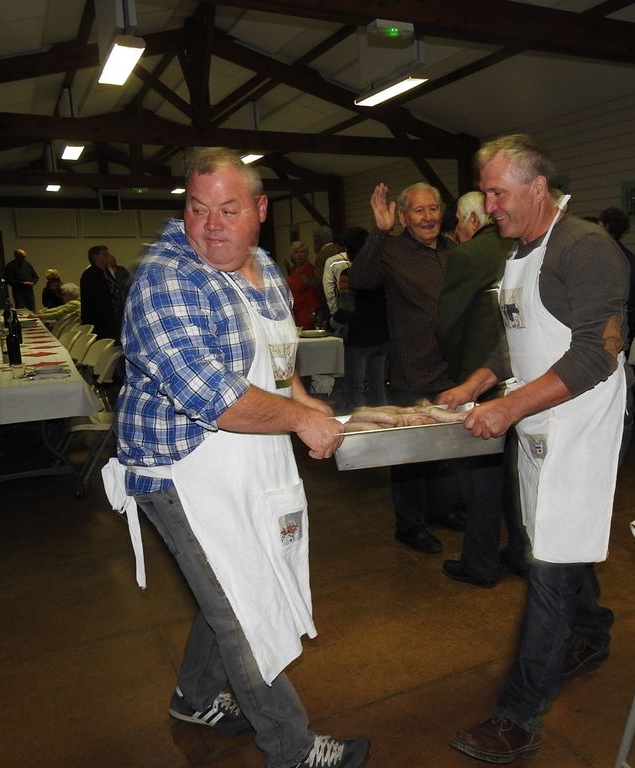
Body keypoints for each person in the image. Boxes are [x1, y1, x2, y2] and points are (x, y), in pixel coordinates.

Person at [107, 148, 369, 768]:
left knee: (231, 583)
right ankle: (291, 748)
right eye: (197, 209)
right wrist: (300, 419)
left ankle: (194, 697)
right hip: (179, 468)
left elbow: (275, 361)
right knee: (241, 607)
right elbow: (211, 395)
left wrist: (305, 401)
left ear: (260, 210)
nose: (210, 226)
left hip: (246, 456)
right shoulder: (166, 279)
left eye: (228, 210)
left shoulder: (263, 266)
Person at [440, 134, 629, 763]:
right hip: (539, 425)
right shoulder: (521, 251)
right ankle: (592, 632)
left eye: (497, 193)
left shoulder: (586, 247)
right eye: (486, 193)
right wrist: (477, 383)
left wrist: (508, 406)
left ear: (538, 187)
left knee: (546, 564)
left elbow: (597, 352)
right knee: (553, 544)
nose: (488, 206)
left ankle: (518, 716)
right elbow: (517, 337)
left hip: (580, 429)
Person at [347, 182, 462, 554]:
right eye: (418, 210)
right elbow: (360, 280)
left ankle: (441, 509)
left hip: (453, 369)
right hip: (413, 369)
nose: (428, 217)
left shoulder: (453, 250)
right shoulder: (392, 250)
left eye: (433, 209)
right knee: (411, 453)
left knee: (447, 447)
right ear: (403, 215)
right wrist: (380, 233)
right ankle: (410, 525)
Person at [436, 191, 529, 587]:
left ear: (473, 220)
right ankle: (523, 552)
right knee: (520, 476)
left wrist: (461, 374)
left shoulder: (468, 255)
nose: (457, 229)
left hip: (483, 378)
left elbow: (448, 324)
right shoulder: (525, 246)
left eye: (458, 221)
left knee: (481, 479)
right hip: (525, 380)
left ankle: (480, 562)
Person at [331, 226, 388, 410]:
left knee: (355, 390)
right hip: (382, 337)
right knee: (378, 388)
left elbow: (346, 309)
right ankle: (385, 422)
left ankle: (360, 423)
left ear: (348, 251)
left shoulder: (348, 274)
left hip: (359, 340)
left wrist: (331, 324)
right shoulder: (382, 272)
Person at [597, 207, 635, 346]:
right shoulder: (629, 256)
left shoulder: (603, 253)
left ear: (605, 226)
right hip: (628, 316)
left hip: (610, 319)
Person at [80, 244, 124, 341]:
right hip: (99, 321)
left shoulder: (107, 272)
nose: (109, 257)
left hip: (113, 317)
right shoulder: (90, 274)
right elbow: (91, 300)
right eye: (105, 254)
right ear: (95, 257)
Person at [285, 241, 321, 330]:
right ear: (293, 255)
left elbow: (315, 293)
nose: (299, 255)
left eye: (302, 252)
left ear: (306, 254)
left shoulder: (311, 270)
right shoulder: (293, 269)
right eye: (296, 252)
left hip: (305, 312)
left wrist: (313, 312)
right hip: (293, 311)